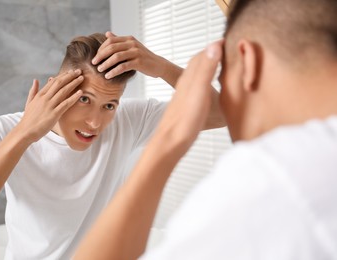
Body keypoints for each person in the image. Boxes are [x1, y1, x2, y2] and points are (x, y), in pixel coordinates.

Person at [72, 0, 337, 259]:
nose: (95, 121)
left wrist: (167, 140)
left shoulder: (276, 171)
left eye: (223, 78)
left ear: (248, 62)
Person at [0, 33, 225, 259]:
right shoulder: (1, 131)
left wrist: (162, 66)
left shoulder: (128, 120)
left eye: (108, 105)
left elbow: (223, 113)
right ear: (54, 88)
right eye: (84, 100)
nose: (95, 122)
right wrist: (24, 134)